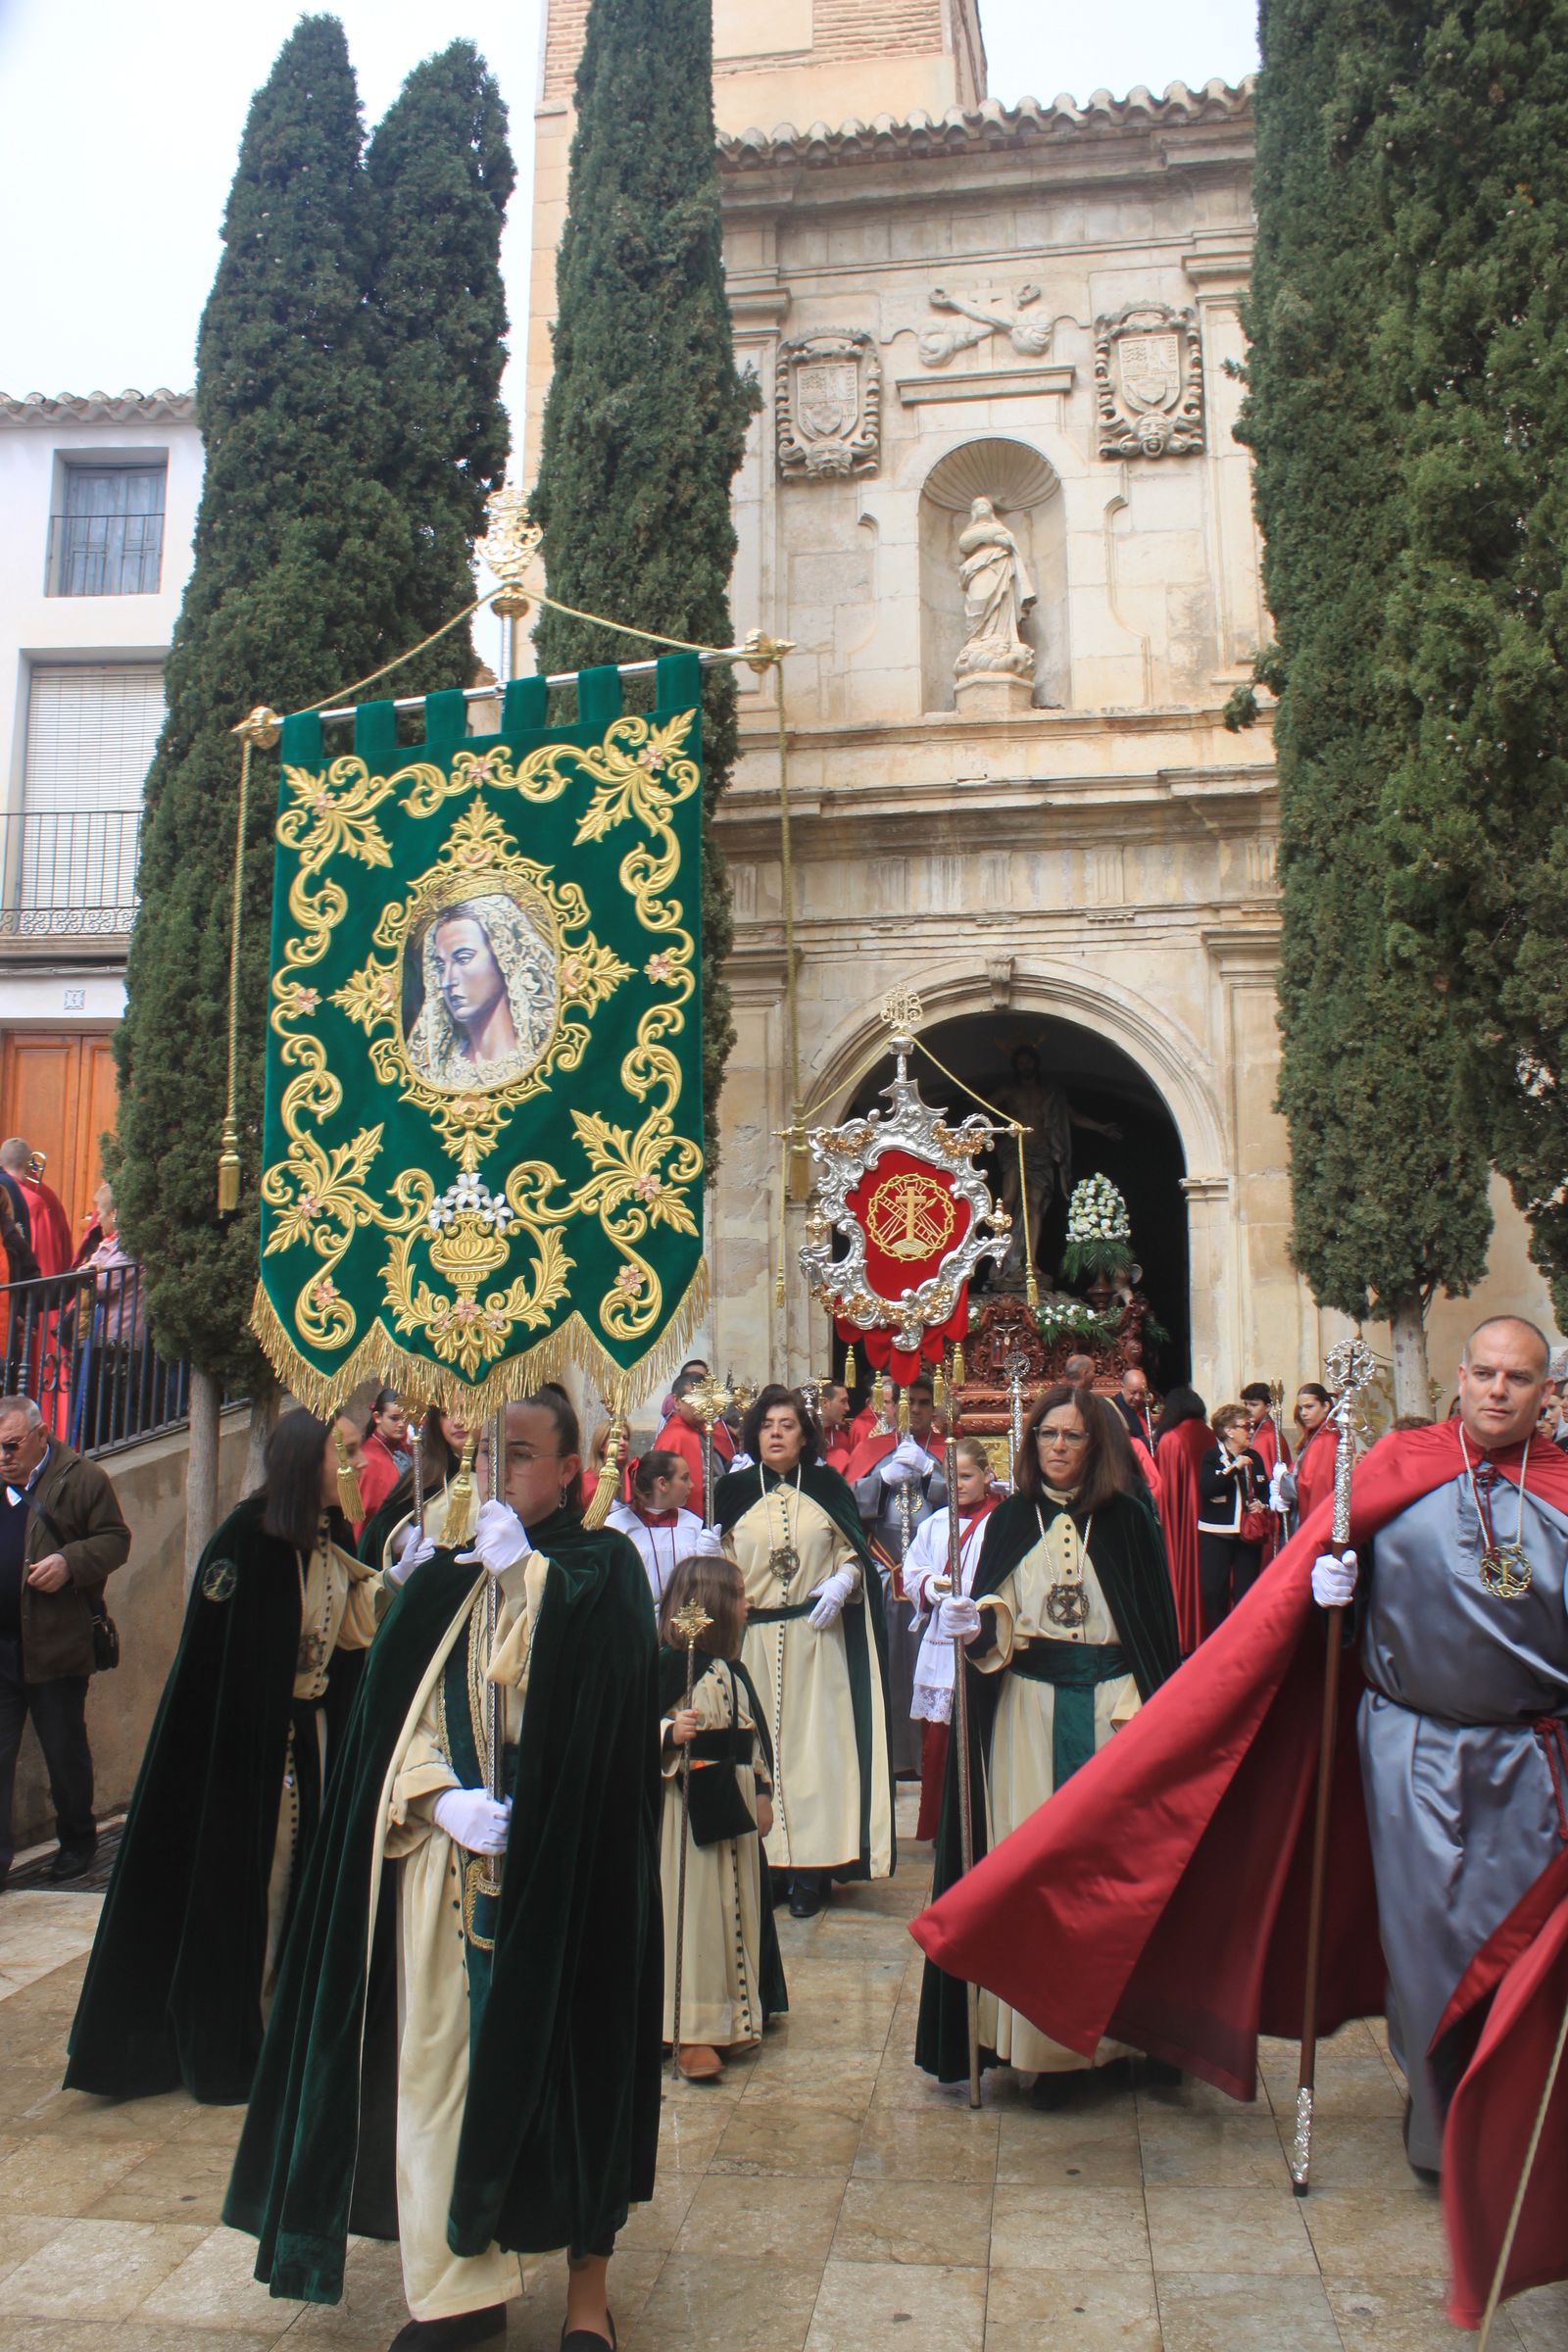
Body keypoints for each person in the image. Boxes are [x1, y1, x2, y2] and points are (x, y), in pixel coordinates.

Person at [909, 1315, 1568, 2199]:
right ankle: (1443, 2118)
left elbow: (1158, 1631)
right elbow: (1311, 1590)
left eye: (1516, 1378)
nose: (1497, 1389)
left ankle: (1523, 2112)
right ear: (1461, 1373)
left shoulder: (1558, 1490)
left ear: (1543, 1391)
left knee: (1529, 1941)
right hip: (1405, 1745)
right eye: (1484, 1372)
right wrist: (1335, 1593)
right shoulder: (1402, 1468)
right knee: (1422, 1938)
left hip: (1532, 1752)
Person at [226, 1390, 661, 2352]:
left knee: (578, 2083)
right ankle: (458, 2295)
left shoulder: (605, 1567)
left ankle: (588, 2293)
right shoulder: (440, 1577)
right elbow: (393, 1729)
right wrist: (437, 1799)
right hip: (444, 1875)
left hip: (570, 1879)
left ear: (569, 1471)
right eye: (490, 1451)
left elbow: (617, 1689)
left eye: (521, 1453)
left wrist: (530, 1582)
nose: (498, 1468)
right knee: (434, 2087)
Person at [65, 1408, 373, 2100]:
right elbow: (219, 1670)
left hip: (310, 1747)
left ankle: (288, 2027)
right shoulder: (246, 1542)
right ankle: (239, 2036)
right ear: (305, 1460)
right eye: (344, 1451)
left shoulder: (331, 1535)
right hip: (246, 1763)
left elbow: (342, 1640)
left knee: (299, 1887)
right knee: (256, 1892)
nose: (355, 1463)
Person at [914, 1383, 1180, 2096]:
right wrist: (975, 1627)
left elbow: (1154, 1632)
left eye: (1073, 1435)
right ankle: (1040, 2048)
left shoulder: (1129, 1522)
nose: (1059, 1447)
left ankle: (1117, 2039)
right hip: (1025, 1718)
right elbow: (992, 1625)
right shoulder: (1009, 1519)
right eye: (1047, 1435)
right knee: (1028, 1875)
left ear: (1098, 1445)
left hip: (1114, 1717)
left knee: (1111, 1878)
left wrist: (1142, 1711)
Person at [714, 1385, 895, 1920]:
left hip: (817, 1640)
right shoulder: (732, 1492)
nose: (776, 1433)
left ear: (804, 1435)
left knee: (817, 1756)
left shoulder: (826, 1487)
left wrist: (843, 1581)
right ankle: (768, 1866)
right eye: (767, 1425)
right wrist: (709, 1561)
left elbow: (854, 1554)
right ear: (754, 1434)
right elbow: (719, 1562)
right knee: (760, 1753)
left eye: (787, 1425)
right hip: (752, 1642)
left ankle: (812, 1872)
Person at [657, 1551, 786, 2079]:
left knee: (737, 1907)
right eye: (737, 1595)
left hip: (732, 1803)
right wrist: (669, 1733)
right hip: (685, 1811)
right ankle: (692, 2030)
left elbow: (752, 1738)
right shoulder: (668, 1668)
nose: (747, 1604)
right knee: (698, 1918)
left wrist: (762, 1791)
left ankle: (733, 2016)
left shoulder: (734, 1672)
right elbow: (623, 1728)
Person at [0, 1394, 129, 1892]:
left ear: (40, 1435)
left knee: (64, 1751)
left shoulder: (82, 1479)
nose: (4, 1457)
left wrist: (69, 1563)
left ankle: (77, 1841)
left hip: (55, 1644)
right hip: (3, 1647)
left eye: (11, 1445)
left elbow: (115, 1539)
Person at [902, 1437, 1000, 1841]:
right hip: (941, 1639)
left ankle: (982, 1824)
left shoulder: (999, 1522)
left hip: (982, 1639)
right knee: (939, 1739)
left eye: (967, 1476)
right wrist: (930, 1585)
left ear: (987, 1475)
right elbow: (912, 1569)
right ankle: (943, 1829)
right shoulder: (935, 1523)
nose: (957, 1484)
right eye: (951, 1476)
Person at [406, 896, 557, 1094]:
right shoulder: (435, 1073)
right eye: (441, 967)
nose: (446, 981)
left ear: (503, 957)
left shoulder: (546, 1058)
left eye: (463, 959)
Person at [359, 1408, 469, 1573]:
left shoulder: (498, 1473)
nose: (458, 1422)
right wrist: (404, 1538)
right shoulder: (425, 1475)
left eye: (466, 1409)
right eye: (445, 1414)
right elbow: (380, 1527)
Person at [608, 1447, 716, 1606]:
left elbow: (709, 1586)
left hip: (685, 1616)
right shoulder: (617, 1526)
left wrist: (711, 1559)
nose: (691, 1485)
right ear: (663, 1484)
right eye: (684, 1478)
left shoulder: (693, 1524)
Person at [1197, 1403, 1269, 1632]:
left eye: (1251, 1426)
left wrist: (1262, 1504)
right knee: (1213, 1590)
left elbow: (1265, 1489)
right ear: (1228, 1431)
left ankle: (1242, 1636)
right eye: (1246, 1426)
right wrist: (1234, 1468)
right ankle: (1219, 1635)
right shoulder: (1211, 1457)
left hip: (1248, 1536)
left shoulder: (1255, 1457)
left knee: (1246, 1592)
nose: (1250, 1431)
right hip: (1216, 1534)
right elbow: (1208, 1488)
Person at [1152, 1385, 1209, 1653]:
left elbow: (1164, 1490)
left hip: (1180, 1519)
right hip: (1207, 1519)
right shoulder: (1208, 1434)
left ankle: (1182, 1634)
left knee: (1181, 1569)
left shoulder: (1171, 1439)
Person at [653, 1368, 734, 1505]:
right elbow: (695, 1487)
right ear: (677, 1401)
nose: (704, 1405)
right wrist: (731, 1480)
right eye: (697, 1398)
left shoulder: (703, 1429)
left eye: (706, 1398)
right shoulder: (676, 1436)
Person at [1271, 1382, 1338, 1535]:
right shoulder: (1316, 1435)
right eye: (1301, 1408)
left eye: (1309, 1407)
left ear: (1326, 1406)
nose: (1303, 1413)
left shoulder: (1325, 1439)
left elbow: (1310, 1485)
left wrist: (1283, 1479)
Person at [358, 1388, 412, 1528]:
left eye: (405, 1417)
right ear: (377, 1417)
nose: (401, 1424)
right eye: (394, 1418)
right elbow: (365, 1515)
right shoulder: (368, 1458)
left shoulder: (406, 1446)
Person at [1112, 1365, 1157, 1452]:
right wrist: (1150, 1438)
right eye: (1133, 1392)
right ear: (1122, 1387)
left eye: (1141, 1393)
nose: (1138, 1398)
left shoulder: (1144, 1405)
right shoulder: (1114, 1409)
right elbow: (1123, 1445)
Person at [817, 1379, 855, 1469]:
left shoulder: (843, 1439)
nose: (848, 1408)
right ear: (824, 1403)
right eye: (843, 1401)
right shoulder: (805, 1437)